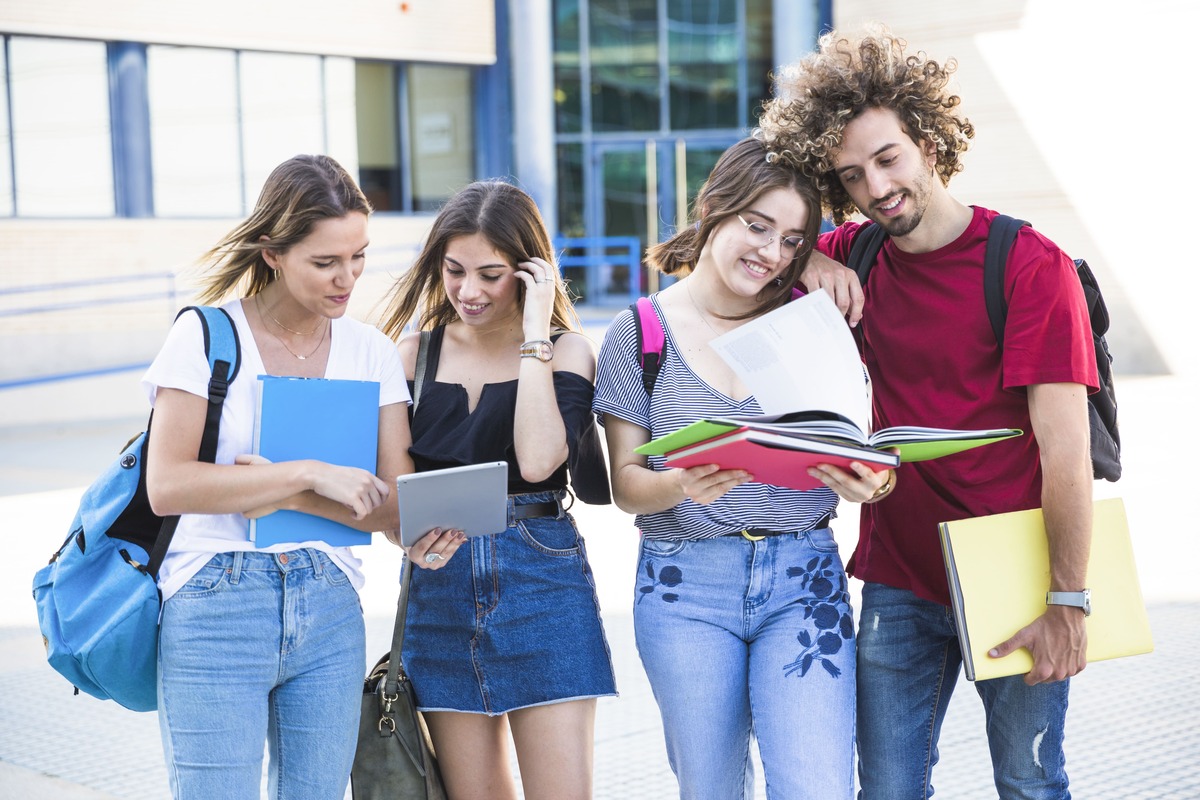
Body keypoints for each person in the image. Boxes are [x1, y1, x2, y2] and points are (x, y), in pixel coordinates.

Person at [758, 27, 1098, 799]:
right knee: (887, 789)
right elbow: (713, 246)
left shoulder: (1026, 264)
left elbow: (1066, 454)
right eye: (850, 176)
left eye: (888, 158)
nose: (876, 189)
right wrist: (805, 252)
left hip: (1015, 570)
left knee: (1030, 782)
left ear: (929, 139)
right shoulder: (854, 252)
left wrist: (1068, 602)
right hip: (899, 576)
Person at [592, 136, 892, 800]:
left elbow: (864, 447)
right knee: (712, 789)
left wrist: (874, 481)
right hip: (683, 588)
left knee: (817, 788)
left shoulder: (810, 326)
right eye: (756, 226)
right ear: (715, 209)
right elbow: (627, 487)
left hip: (803, 580)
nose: (771, 253)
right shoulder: (638, 332)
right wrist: (678, 483)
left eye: (791, 240)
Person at [142, 154, 417, 798]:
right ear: (272, 252)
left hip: (329, 602)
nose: (346, 278)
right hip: (214, 598)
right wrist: (313, 473)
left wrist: (285, 491)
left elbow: (395, 507)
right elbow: (169, 486)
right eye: (325, 262)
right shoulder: (205, 337)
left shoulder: (371, 352)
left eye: (358, 256)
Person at [377, 180, 616, 800]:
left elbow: (538, 462)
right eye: (454, 271)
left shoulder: (566, 350)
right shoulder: (412, 356)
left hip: (542, 579)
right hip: (442, 584)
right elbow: (392, 497)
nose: (469, 291)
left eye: (491, 274)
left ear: (530, 272)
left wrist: (535, 332)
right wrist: (405, 537)